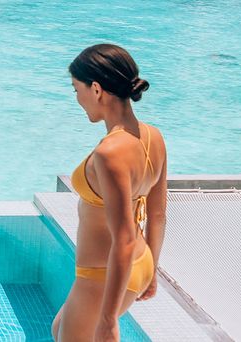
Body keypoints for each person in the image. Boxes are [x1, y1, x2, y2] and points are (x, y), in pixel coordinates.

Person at [51, 43, 168, 342]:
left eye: (76, 89)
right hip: (137, 264)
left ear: (97, 89)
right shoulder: (153, 137)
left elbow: (124, 238)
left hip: (102, 277)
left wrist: (108, 319)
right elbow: (157, 215)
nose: (77, 99)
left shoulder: (109, 153)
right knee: (58, 328)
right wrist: (152, 269)